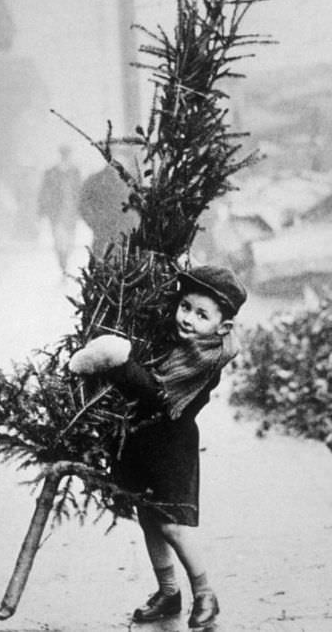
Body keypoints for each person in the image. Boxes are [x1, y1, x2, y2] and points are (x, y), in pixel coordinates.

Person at [69, 264, 247, 629]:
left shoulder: (205, 357)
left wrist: (120, 363)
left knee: (173, 526)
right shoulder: (177, 341)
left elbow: (157, 396)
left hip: (171, 448)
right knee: (149, 518)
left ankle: (205, 594)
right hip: (143, 441)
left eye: (202, 315)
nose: (188, 319)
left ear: (223, 327)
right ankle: (168, 592)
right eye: (185, 307)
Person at [78, 160, 139, 257]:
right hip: (102, 234)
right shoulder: (95, 180)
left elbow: (138, 207)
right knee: (101, 259)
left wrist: (131, 223)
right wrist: (96, 224)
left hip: (125, 235)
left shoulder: (130, 181)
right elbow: (83, 206)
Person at [37, 145, 81, 275]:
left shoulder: (75, 172)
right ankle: (62, 260)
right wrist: (42, 210)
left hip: (71, 212)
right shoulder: (51, 172)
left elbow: (79, 191)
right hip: (56, 212)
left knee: (70, 239)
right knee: (58, 239)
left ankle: (65, 257)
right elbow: (44, 192)